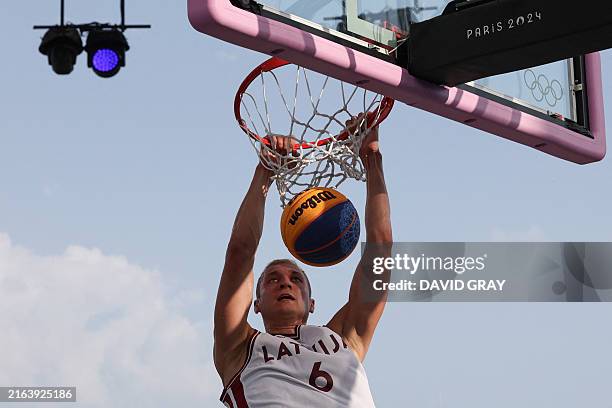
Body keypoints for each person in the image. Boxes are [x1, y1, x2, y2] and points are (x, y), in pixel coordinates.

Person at [214, 117, 392, 407]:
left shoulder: (345, 337)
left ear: (312, 303)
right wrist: (265, 171)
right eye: (272, 279)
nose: (285, 281)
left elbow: (381, 248)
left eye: (296, 279)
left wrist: (372, 156)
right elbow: (239, 253)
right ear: (255, 304)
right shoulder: (238, 346)